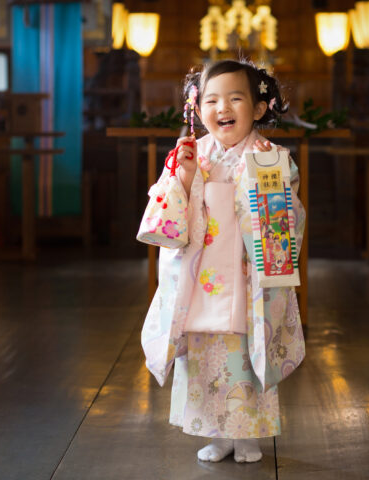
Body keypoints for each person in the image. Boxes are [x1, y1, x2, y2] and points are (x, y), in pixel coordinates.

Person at [140, 59, 306, 464]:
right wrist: (183, 178)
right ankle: (215, 432)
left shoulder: (270, 157)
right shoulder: (193, 156)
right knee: (204, 354)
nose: (222, 108)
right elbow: (169, 213)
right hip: (202, 279)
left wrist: (269, 179)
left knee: (246, 354)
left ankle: (247, 435)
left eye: (235, 98)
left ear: (259, 108)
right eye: (211, 100)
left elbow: (288, 221)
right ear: (197, 111)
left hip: (248, 278)